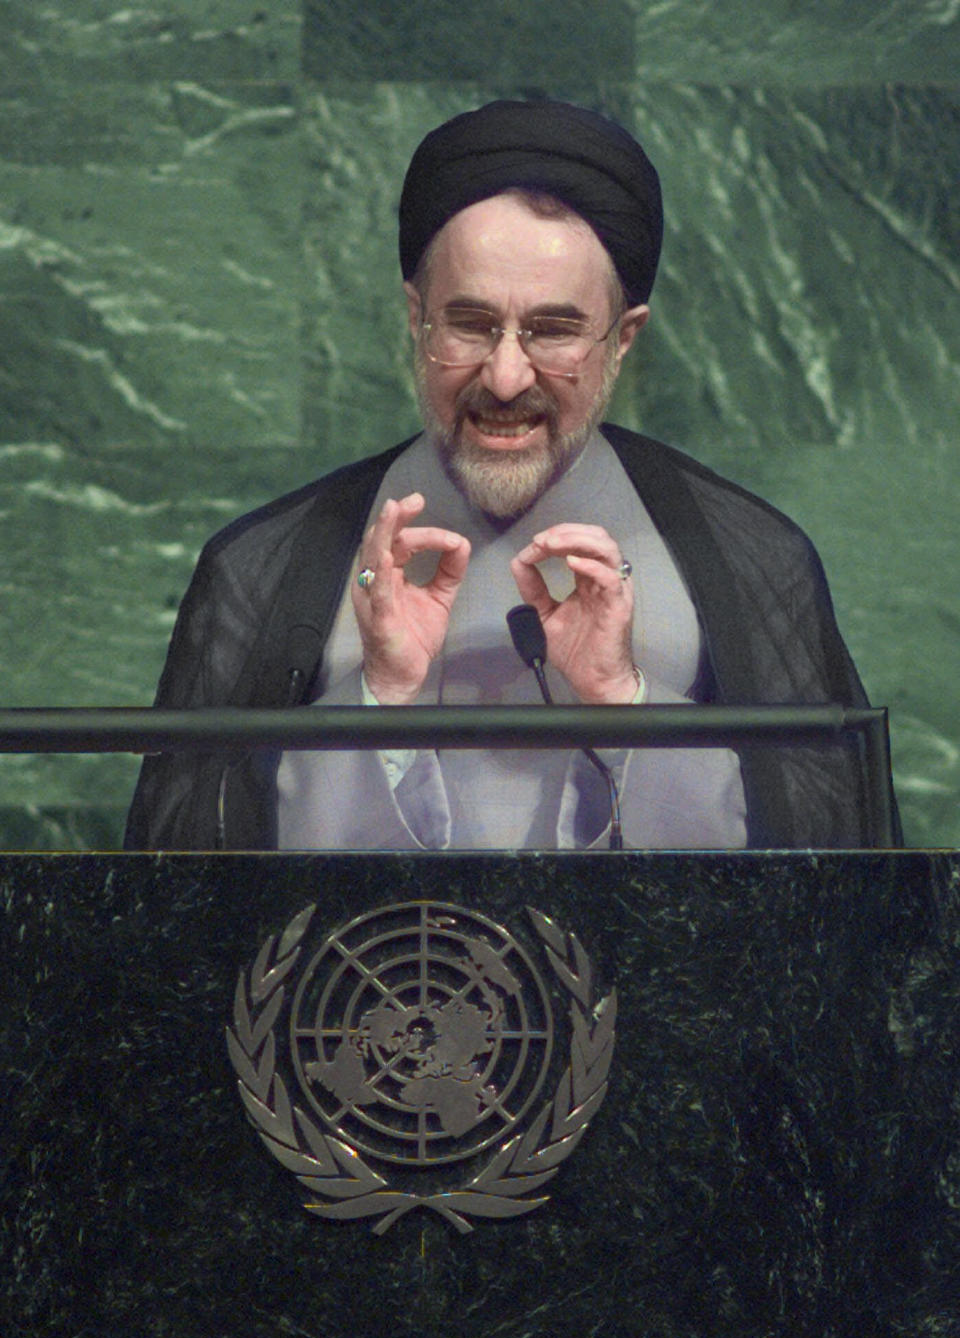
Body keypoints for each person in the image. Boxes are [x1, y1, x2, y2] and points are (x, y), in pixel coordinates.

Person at [125, 99, 895, 851]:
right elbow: (185, 901)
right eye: (469, 323)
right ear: (415, 318)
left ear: (624, 339)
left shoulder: (756, 557)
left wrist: (623, 701)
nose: (503, 375)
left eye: (553, 330)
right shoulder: (260, 568)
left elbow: (827, 896)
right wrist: (379, 702)